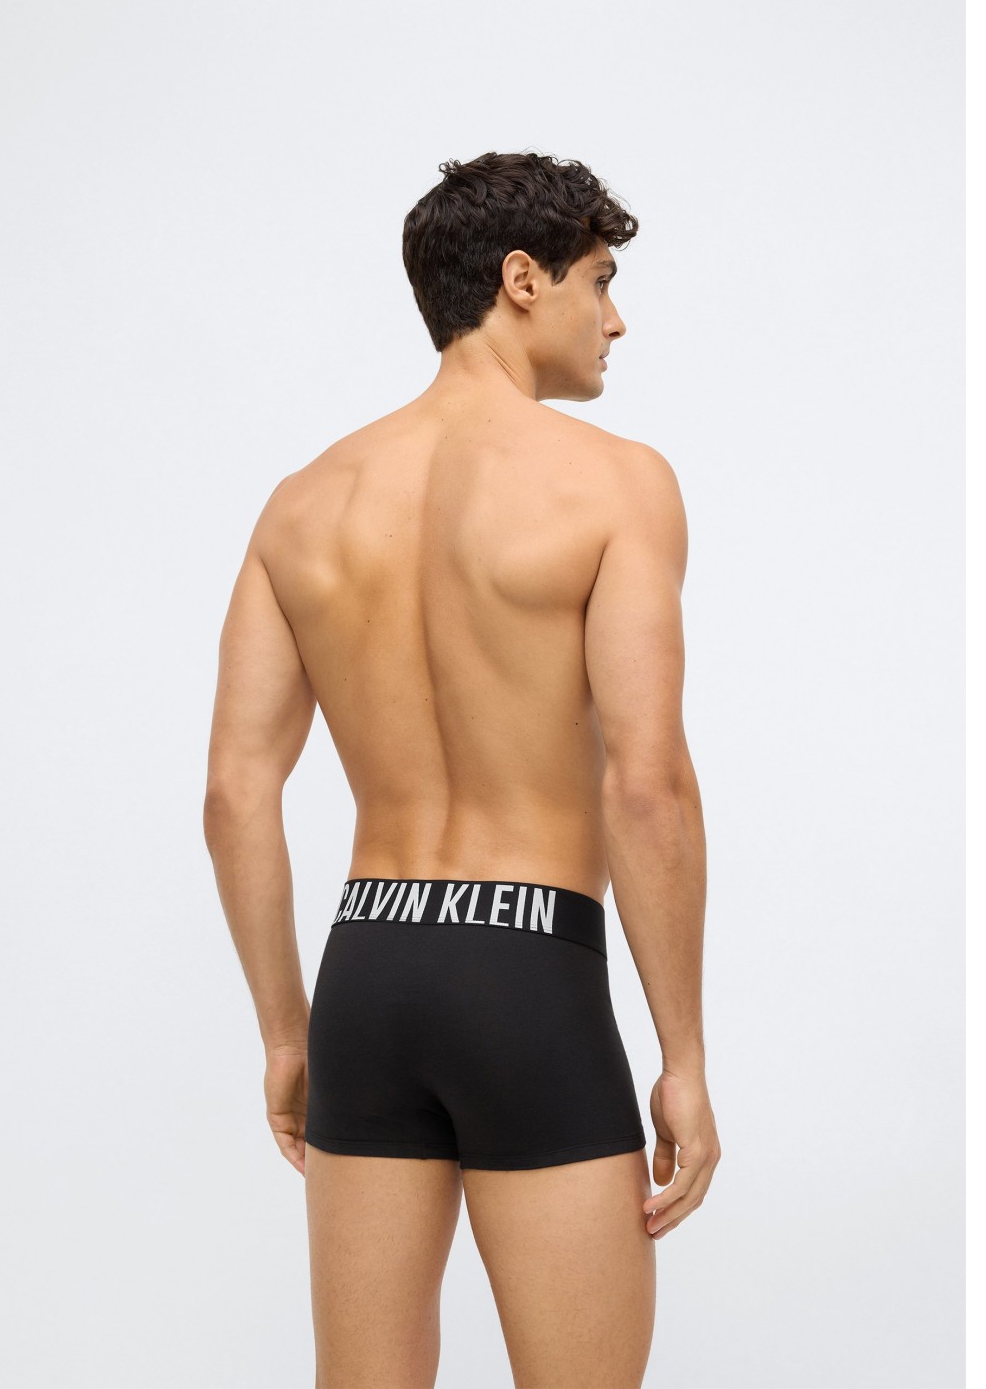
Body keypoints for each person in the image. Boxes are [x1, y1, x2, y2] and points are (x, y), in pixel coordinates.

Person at [203, 150, 720, 1389]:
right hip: (527, 970)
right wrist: (685, 1058)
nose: (616, 320)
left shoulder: (303, 504)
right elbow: (645, 782)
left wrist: (287, 1033)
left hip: (369, 971)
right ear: (522, 279)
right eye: (601, 282)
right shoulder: (616, 483)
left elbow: (235, 794)